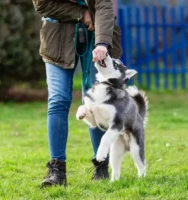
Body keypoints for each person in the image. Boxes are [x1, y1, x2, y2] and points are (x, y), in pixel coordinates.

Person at [32, 0, 123, 187]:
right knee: (58, 100)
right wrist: (81, 13)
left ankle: (101, 165)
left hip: (97, 36)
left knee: (96, 103)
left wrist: (103, 43)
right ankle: (57, 171)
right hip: (56, 37)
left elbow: (105, 6)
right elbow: (42, 4)